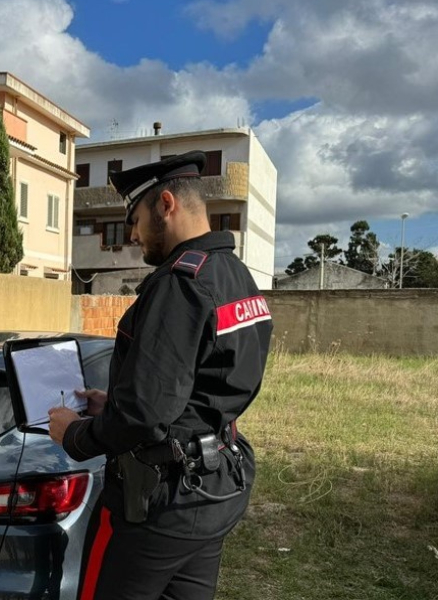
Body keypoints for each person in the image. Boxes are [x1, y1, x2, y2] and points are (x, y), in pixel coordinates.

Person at [48, 151, 272, 600]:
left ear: (166, 205)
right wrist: (110, 404)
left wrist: (75, 435)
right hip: (214, 489)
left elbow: (144, 414)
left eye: (135, 218)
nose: (132, 234)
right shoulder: (235, 274)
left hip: (162, 503)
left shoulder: (179, 283)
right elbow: (203, 387)